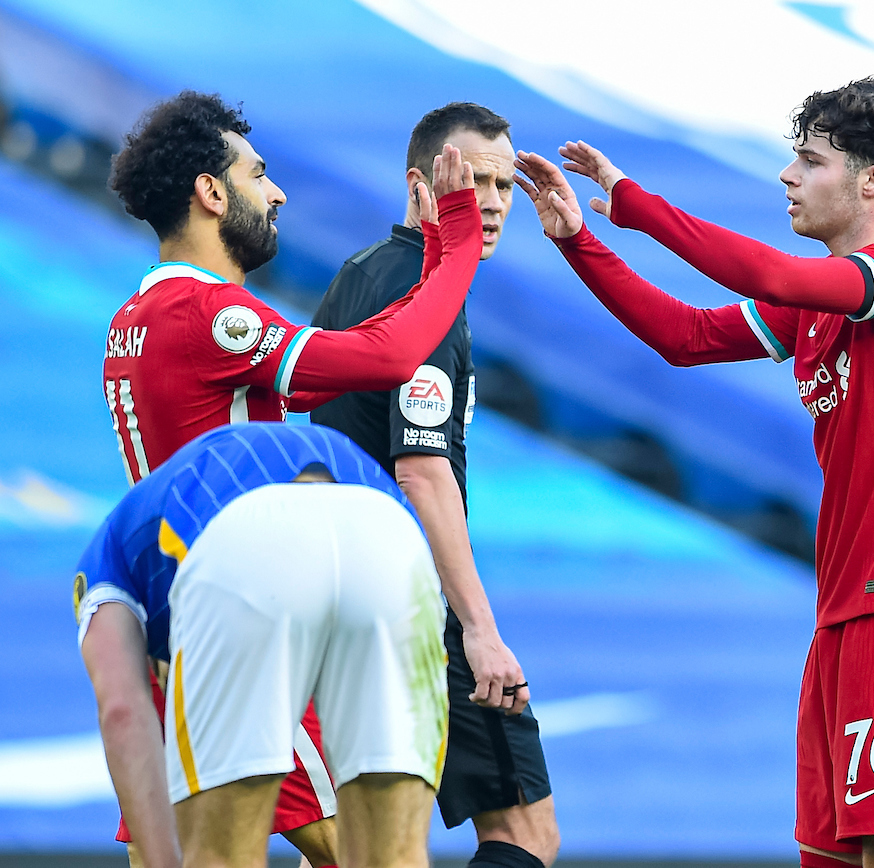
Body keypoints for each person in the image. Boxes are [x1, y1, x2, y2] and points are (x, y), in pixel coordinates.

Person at [514, 77, 874, 868]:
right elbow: (687, 335)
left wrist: (633, 201)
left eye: (809, 160)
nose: (788, 177)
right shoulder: (825, 301)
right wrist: (578, 240)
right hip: (846, 602)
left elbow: (770, 276)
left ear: (873, 180)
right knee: (830, 854)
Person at [102, 90, 480, 866]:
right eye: (258, 173)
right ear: (212, 192)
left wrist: (433, 256)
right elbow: (383, 359)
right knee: (366, 848)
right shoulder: (208, 314)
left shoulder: (136, 315)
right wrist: (462, 241)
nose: (276, 193)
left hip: (171, 610)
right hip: (248, 612)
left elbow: (347, 363)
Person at [310, 102, 560, 868]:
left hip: (338, 603)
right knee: (524, 834)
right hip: (414, 608)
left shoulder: (356, 275)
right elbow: (422, 471)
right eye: (469, 181)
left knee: (364, 846)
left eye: (503, 185)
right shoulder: (426, 295)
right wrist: (478, 630)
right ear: (420, 187)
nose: (488, 202)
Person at [75, 422, 448, 868]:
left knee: (220, 854)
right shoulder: (177, 493)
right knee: (394, 856)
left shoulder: (104, 564)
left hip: (247, 537)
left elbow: (122, 710)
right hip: (394, 535)